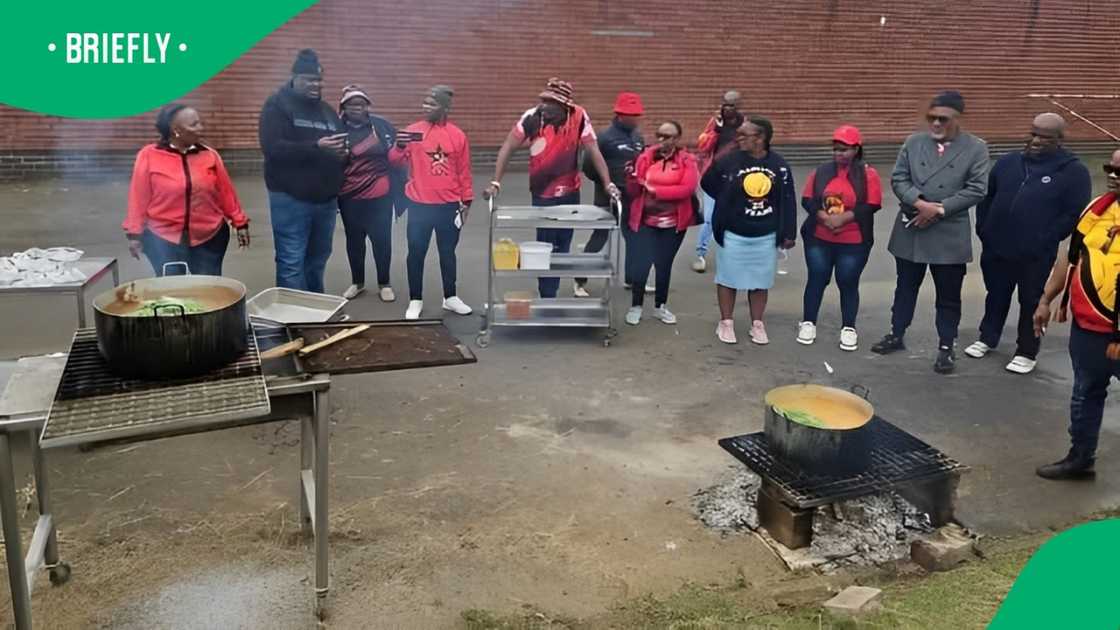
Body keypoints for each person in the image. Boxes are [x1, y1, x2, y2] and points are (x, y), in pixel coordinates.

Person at [871, 91, 990, 374]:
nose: (936, 124)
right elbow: (899, 177)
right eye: (931, 118)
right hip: (912, 227)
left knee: (948, 295)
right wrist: (919, 202)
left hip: (947, 231)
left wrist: (937, 210)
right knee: (905, 287)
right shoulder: (914, 142)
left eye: (943, 119)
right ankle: (896, 333)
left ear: (958, 119)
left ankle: (946, 347)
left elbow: (977, 189)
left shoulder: (976, 148)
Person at [964, 113, 1091, 374]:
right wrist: (984, 229)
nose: (1035, 141)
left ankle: (1027, 351)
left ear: (1059, 139)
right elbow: (988, 198)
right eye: (1033, 134)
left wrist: (1046, 238)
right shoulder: (1008, 162)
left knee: (1031, 300)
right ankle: (988, 337)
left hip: (1036, 252)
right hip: (997, 246)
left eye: (1044, 137)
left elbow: (1073, 213)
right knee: (996, 294)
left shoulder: (1073, 172)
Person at [484, 78, 620, 298]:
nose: (545, 106)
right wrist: (496, 182)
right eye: (544, 100)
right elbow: (508, 146)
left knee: (563, 244)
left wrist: (608, 184)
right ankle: (547, 295)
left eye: (552, 103)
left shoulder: (579, 116)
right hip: (542, 193)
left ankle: (552, 292)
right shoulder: (532, 116)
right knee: (545, 245)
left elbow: (593, 150)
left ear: (565, 105)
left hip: (570, 191)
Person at [1031, 149, 1120, 480]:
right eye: (1109, 167)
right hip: (1087, 329)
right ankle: (1080, 458)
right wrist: (1045, 300)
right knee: (1085, 394)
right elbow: (1069, 259)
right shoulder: (1096, 211)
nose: (1113, 174)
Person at [701, 116, 797, 345]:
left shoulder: (779, 165)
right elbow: (708, 183)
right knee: (727, 278)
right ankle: (726, 322)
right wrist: (728, 204)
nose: (739, 138)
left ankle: (757, 324)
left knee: (760, 281)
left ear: (761, 138)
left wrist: (789, 233)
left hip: (765, 234)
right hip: (733, 233)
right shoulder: (729, 161)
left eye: (744, 135)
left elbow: (787, 199)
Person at [124, 104, 250, 276]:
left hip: (209, 237)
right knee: (173, 292)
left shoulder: (209, 155)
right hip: (163, 238)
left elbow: (226, 193)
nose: (201, 129)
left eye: (200, 123)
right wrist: (134, 234)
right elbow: (138, 198)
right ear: (176, 130)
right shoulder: (149, 156)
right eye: (194, 124)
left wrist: (240, 223)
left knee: (208, 289)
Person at [259, 48, 346, 293]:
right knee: (291, 262)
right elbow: (273, 148)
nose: (315, 84)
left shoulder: (327, 112)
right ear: (295, 78)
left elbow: (338, 148)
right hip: (290, 199)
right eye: (309, 79)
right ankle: (292, 320)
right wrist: (317, 146)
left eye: (319, 80)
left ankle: (314, 312)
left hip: (325, 202)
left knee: (317, 261)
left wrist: (343, 157)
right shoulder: (277, 105)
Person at [389, 85, 473, 320]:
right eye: (424, 102)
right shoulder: (413, 132)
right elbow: (393, 162)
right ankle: (415, 299)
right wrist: (399, 146)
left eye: (432, 103)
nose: (426, 107)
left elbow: (464, 171)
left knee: (448, 253)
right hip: (419, 205)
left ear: (445, 108)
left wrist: (467, 202)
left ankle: (450, 297)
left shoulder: (457, 135)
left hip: (448, 206)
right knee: (416, 252)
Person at [797, 125, 882, 351]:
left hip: (853, 241)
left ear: (856, 149)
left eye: (844, 149)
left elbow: (872, 204)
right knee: (816, 279)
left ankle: (848, 328)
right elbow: (808, 199)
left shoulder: (868, 174)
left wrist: (844, 219)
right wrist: (824, 217)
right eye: (836, 149)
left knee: (848, 282)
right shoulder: (822, 171)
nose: (839, 154)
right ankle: (808, 323)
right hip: (820, 237)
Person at [624, 121, 700, 326]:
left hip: (673, 222)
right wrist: (631, 180)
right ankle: (636, 306)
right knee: (641, 263)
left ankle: (660, 306)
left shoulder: (687, 160)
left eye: (667, 136)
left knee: (664, 264)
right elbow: (634, 189)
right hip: (645, 219)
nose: (661, 140)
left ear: (677, 139)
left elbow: (687, 188)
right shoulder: (646, 157)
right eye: (659, 135)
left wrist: (657, 191)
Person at [576, 91, 645, 296]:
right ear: (620, 115)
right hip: (608, 198)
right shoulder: (604, 138)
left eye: (637, 115)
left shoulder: (638, 137)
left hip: (632, 197)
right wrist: (606, 184)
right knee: (600, 236)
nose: (636, 119)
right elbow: (588, 166)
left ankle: (632, 280)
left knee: (634, 238)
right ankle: (579, 281)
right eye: (632, 115)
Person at [336, 84, 399, 302]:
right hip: (349, 196)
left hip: (380, 196)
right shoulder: (335, 128)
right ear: (343, 107)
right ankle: (357, 283)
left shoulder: (381, 126)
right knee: (354, 240)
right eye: (352, 105)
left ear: (367, 107)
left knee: (381, 240)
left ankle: (384, 283)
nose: (357, 108)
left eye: (361, 105)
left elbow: (395, 155)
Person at [693, 90, 745, 273]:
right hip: (714, 175)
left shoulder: (745, 124)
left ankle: (732, 255)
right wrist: (716, 129)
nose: (728, 108)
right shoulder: (715, 122)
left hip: (737, 178)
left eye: (732, 105)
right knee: (709, 218)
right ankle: (700, 254)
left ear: (739, 106)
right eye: (725, 104)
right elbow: (703, 146)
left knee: (735, 217)